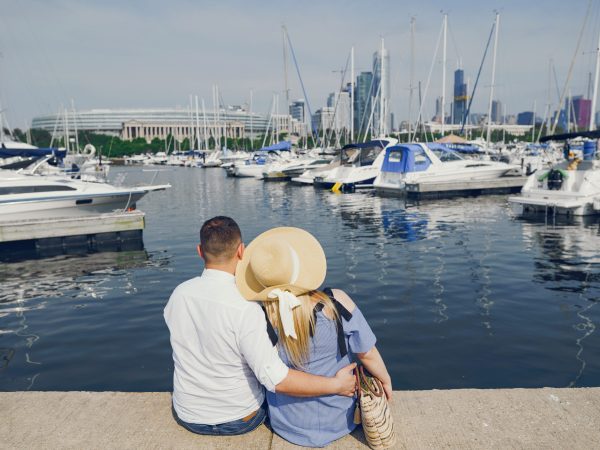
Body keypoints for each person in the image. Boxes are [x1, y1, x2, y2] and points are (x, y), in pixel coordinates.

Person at [163, 216, 357, 437]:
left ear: (199, 250)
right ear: (241, 251)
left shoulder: (179, 294)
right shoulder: (246, 306)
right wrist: (336, 386)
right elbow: (276, 379)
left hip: (187, 414)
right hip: (239, 418)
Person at [236, 226, 392, 447]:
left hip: (288, 425)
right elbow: (367, 354)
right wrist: (386, 381)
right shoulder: (336, 303)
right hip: (340, 420)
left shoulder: (260, 315)